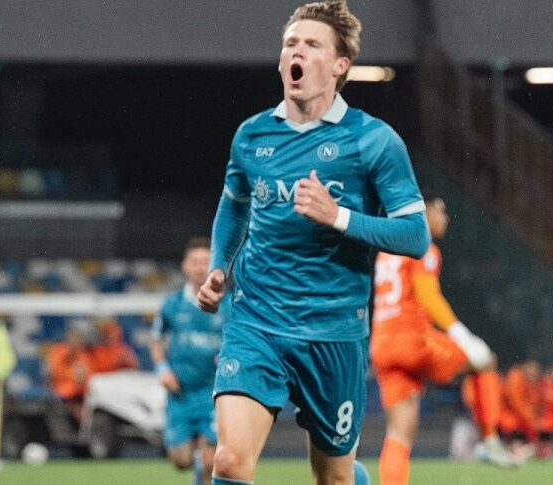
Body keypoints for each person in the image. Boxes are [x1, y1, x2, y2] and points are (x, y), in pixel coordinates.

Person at [197, 2, 430, 483]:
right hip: (257, 322)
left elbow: (415, 236)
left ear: (340, 65)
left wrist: (337, 216)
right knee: (229, 460)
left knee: (335, 478)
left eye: (311, 44)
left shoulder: (373, 140)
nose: (296, 52)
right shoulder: (252, 135)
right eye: (290, 44)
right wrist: (220, 265)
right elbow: (234, 205)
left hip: (334, 334)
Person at [370, 192, 517, 484]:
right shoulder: (422, 244)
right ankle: (489, 440)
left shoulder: (387, 250)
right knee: (484, 360)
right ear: (423, 212)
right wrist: (461, 333)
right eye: (440, 210)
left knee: (398, 435)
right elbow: (428, 295)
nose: (445, 217)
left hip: (382, 343)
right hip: (412, 339)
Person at [151, 237, 230, 485]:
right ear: (185, 266)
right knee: (180, 459)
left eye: (206, 261)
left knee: (209, 461)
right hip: (180, 394)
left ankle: (202, 469)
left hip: (213, 394)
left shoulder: (227, 304)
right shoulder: (172, 305)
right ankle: (194, 462)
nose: (199, 267)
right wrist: (162, 369)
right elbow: (155, 340)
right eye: (195, 262)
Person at [46, 322, 93, 422]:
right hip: (61, 396)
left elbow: (85, 378)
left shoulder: (83, 355)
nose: (76, 341)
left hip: (80, 396)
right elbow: (53, 373)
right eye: (74, 337)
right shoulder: (58, 351)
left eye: (79, 338)